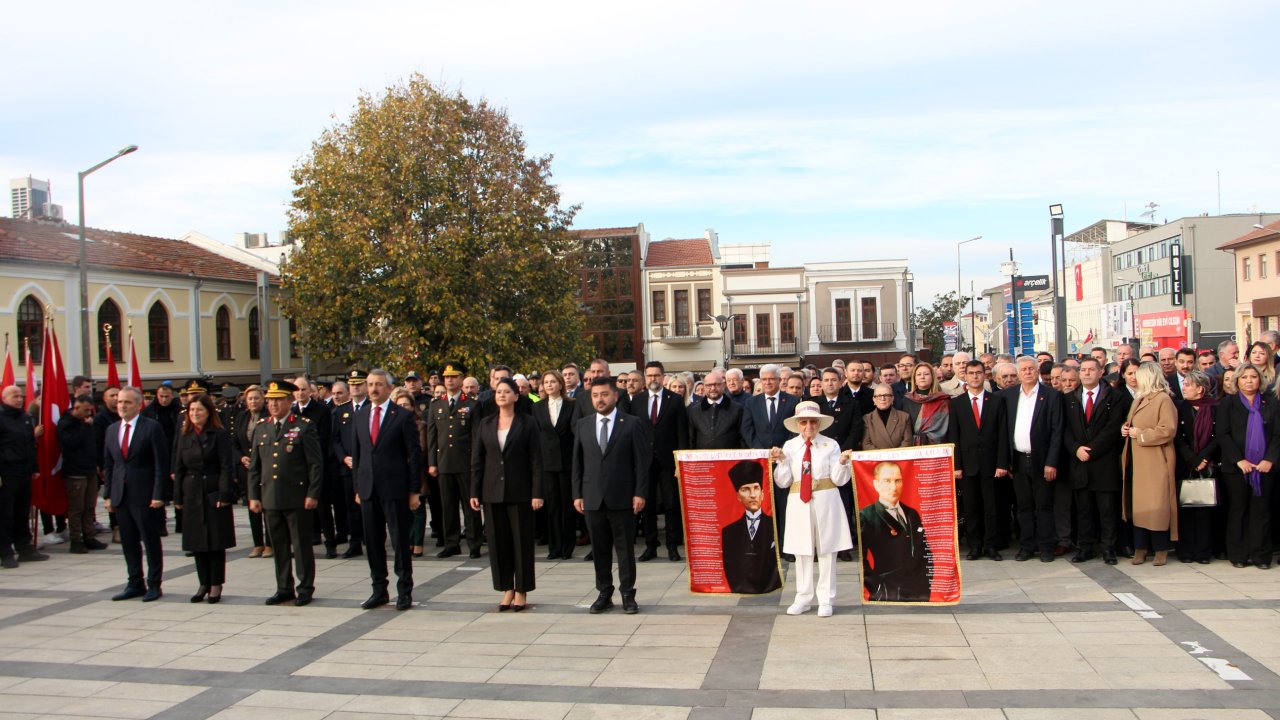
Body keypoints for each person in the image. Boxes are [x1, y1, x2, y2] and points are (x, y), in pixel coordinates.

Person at [573, 377, 649, 614]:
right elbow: (577, 462)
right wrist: (577, 493)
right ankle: (604, 592)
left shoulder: (631, 423)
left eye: (604, 394)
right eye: (595, 395)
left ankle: (628, 593)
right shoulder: (583, 425)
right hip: (592, 497)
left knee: (625, 549)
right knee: (600, 549)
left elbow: (641, 462)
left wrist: (640, 492)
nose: (600, 399)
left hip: (623, 497)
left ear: (615, 396)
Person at [770, 401, 852, 616]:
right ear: (798, 424)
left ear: (819, 423)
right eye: (804, 422)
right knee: (802, 550)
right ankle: (803, 597)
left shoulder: (830, 445)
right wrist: (781, 462)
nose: (808, 426)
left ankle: (826, 600)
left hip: (827, 499)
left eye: (813, 422)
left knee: (827, 550)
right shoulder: (790, 446)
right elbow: (783, 482)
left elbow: (839, 479)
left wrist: (843, 462)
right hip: (799, 501)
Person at [247, 379, 325, 606]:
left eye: (278, 400)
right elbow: (255, 466)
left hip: (296, 496)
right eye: (270, 400)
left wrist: (313, 493)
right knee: (279, 546)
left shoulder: (303, 426)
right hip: (271, 496)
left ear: (290, 401)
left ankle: (305, 587)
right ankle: (284, 587)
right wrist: (253, 495)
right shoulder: (262, 427)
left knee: (301, 546)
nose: (273, 404)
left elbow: (315, 464)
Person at [470, 377, 543, 611]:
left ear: (516, 396)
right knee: (497, 542)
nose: (501, 395)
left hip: (520, 491)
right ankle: (506, 588)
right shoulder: (485, 423)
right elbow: (477, 460)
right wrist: (474, 491)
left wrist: (537, 492)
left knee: (521, 543)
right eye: (498, 391)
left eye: (506, 391)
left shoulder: (528, 422)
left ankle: (521, 589)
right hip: (491, 492)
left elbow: (536, 460)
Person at [353, 369, 423, 611]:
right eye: (370, 384)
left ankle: (404, 591)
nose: (373, 389)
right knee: (373, 542)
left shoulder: (401, 416)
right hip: (368, 489)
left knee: (400, 542)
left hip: (395, 489)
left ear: (389, 388)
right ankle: (378, 590)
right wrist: (357, 487)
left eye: (379, 384)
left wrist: (414, 490)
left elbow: (414, 455)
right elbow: (358, 455)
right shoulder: (361, 415)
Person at [102, 387, 168, 601]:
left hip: (145, 494)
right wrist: (108, 495)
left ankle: (154, 584)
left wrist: (158, 494)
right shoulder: (112, 430)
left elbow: (160, 463)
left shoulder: (151, 427)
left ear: (139, 405)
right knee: (129, 541)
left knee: (150, 541)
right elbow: (109, 465)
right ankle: (134, 582)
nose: (122, 406)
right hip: (121, 495)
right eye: (120, 402)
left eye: (127, 402)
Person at [996, 356, 1064, 563]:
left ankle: (1046, 547)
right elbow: (1002, 431)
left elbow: (1057, 432)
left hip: (1042, 460)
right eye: (1023, 369)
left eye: (1031, 369)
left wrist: (1051, 462)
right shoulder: (1007, 396)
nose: (1027, 372)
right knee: (1023, 506)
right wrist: (1004, 461)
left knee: (1043, 506)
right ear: (1018, 373)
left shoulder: (1051, 395)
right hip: (1017, 459)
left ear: (1037, 371)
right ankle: (1027, 547)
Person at [1064, 358, 1129, 565]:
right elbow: (1064, 429)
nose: (1086, 373)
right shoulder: (1069, 398)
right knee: (1084, 510)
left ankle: (1109, 548)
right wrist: (1076, 448)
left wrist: (1092, 450)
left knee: (1107, 510)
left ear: (1101, 372)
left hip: (1104, 462)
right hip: (1079, 462)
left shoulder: (1114, 396)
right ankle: (1086, 547)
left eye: (1091, 369)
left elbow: (1113, 428)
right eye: (1083, 370)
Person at [173, 393, 236, 603]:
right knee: (197, 540)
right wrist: (177, 496)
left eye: (199, 410)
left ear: (208, 412)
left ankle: (216, 584)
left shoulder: (219, 434)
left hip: (213, 491)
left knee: (215, 540)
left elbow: (226, 466)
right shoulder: (185, 435)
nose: (195, 413)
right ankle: (203, 582)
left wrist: (224, 493)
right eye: (191, 410)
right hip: (192, 492)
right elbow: (179, 467)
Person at [1216, 363, 1278, 569]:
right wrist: (1239, 460)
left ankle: (1261, 556)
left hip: (1264, 467)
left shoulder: (1271, 402)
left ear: (1260, 379)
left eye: (1253, 376)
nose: (1249, 381)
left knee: (1261, 511)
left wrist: (1269, 459)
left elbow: (1278, 434)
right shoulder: (1228, 403)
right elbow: (1222, 434)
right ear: (1237, 381)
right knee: (1238, 509)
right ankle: (1238, 555)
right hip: (1236, 467)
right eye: (1244, 377)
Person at [1121, 362, 1180, 566]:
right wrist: (1126, 429)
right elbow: (1134, 424)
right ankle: (1141, 547)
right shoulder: (1139, 399)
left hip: (1156, 460)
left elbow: (1167, 430)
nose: (1134, 379)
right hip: (1139, 461)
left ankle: (1160, 548)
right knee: (1140, 507)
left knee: (1157, 507)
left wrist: (1141, 434)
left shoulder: (1163, 399)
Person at [947, 360, 1005, 561]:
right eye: (971, 373)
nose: (975, 376)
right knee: (971, 508)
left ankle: (991, 546)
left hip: (991, 464)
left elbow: (1002, 434)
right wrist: (957, 465)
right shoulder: (957, 403)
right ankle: (975, 546)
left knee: (991, 507)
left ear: (984, 375)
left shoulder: (996, 401)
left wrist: (1002, 463)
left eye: (978, 373)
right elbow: (954, 436)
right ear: (965, 376)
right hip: (967, 465)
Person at [741, 364, 798, 560]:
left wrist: (782, 451)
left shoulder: (792, 401)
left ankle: (786, 547)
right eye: (764, 379)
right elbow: (747, 430)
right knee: (763, 506)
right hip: (761, 462)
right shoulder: (752, 402)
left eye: (771, 379)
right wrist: (763, 452)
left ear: (779, 380)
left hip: (784, 461)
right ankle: (765, 546)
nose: (767, 382)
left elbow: (795, 429)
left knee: (784, 506)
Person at [635, 361, 689, 563]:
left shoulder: (674, 400)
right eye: (649, 375)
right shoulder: (637, 401)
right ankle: (651, 546)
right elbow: (633, 432)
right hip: (645, 461)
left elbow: (682, 433)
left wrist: (680, 461)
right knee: (647, 505)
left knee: (671, 504)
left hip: (669, 461)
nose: (653, 379)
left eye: (656, 375)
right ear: (645, 378)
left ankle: (672, 546)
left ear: (663, 377)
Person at [427, 361, 482, 559]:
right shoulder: (436, 404)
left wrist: (476, 463)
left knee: (470, 507)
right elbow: (432, 435)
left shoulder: (472, 404)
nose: (450, 380)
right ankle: (452, 543)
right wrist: (432, 462)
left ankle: (474, 544)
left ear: (461, 379)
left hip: (465, 463)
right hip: (444, 462)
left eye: (454, 377)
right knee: (448, 506)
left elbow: (476, 437)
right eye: (447, 377)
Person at [858, 461, 933, 602]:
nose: (893, 487)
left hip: (919, 590)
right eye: (887, 481)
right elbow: (861, 557)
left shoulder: (912, 513)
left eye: (897, 481)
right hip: (888, 590)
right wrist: (876, 589)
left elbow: (925, 549)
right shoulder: (866, 516)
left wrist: (927, 580)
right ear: (876, 484)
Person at [1174, 370, 1219, 564]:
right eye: (1184, 384)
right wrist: (1192, 458)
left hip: (1207, 465)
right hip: (1185, 464)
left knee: (1204, 510)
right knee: (1185, 507)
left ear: (1200, 388)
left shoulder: (1215, 407)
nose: (1184, 388)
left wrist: (1204, 457)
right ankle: (1186, 550)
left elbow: (1218, 435)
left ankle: (1203, 552)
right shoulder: (1179, 407)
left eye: (1188, 385)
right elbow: (1177, 436)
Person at [0, 385, 48, 567]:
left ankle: (25, 549)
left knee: (22, 512)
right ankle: (5, 552)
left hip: (24, 471)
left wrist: (34, 467)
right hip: (7, 472)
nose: (19, 399)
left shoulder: (25, 418)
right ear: (4, 398)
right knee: (5, 514)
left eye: (21, 396)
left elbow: (30, 444)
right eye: (15, 396)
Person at [720, 460, 781, 594]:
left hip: (768, 585)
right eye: (745, 489)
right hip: (738, 586)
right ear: (738, 496)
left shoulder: (774, 525)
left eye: (756, 488)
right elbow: (730, 567)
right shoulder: (729, 531)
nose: (753, 495)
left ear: (762, 494)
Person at [533, 370, 577, 560]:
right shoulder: (537, 407)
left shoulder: (572, 405)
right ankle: (555, 547)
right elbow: (536, 435)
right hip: (547, 463)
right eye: (546, 382)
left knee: (567, 506)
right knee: (551, 506)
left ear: (560, 384)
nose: (549, 385)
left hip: (567, 462)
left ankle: (567, 547)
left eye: (553, 381)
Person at [57, 394, 107, 554]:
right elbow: (70, 443)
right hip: (75, 472)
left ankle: (89, 536)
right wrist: (85, 427)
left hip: (90, 469)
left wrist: (97, 464)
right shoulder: (66, 423)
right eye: (85, 410)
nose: (88, 414)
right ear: (76, 407)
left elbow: (93, 444)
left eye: (90, 410)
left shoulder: (86, 423)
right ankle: (76, 539)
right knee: (77, 508)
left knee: (89, 506)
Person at [232, 385, 271, 558]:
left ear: (263, 399)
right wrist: (241, 457)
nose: (253, 401)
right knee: (252, 507)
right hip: (247, 469)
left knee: (268, 506)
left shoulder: (268, 416)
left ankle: (270, 543)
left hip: (265, 467)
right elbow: (233, 442)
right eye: (250, 399)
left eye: (256, 398)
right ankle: (258, 544)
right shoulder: (241, 417)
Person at [390, 389, 430, 558]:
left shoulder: (420, 424)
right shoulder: (391, 424)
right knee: (403, 510)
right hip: (398, 472)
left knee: (417, 508)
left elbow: (421, 449)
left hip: (416, 471)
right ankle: (408, 540)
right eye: (399, 405)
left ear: (413, 407)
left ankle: (418, 542)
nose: (403, 407)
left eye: (406, 404)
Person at [688, 369, 744, 450]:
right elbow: (691, 439)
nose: (713, 388)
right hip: (703, 457)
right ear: (704, 387)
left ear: (723, 385)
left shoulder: (737, 409)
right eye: (709, 385)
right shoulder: (695, 411)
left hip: (730, 456)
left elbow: (742, 438)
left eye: (717, 384)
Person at [902, 363, 949, 446]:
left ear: (932, 378)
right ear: (914, 379)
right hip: (912, 446)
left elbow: (947, 426)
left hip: (939, 446)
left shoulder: (943, 400)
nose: (922, 377)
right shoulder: (906, 400)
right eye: (919, 374)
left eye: (926, 374)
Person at [862, 384, 913, 449]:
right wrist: (883, 455)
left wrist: (893, 454)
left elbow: (907, 442)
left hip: (899, 455)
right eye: (879, 396)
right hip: (876, 455)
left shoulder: (904, 417)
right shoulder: (867, 419)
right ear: (874, 399)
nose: (883, 399)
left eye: (886, 395)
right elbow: (866, 444)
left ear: (892, 398)